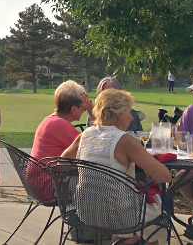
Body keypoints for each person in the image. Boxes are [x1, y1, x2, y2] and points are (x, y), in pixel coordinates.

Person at [62, 89, 172, 245]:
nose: (131, 117)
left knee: (119, 202)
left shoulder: (85, 135)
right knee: (159, 214)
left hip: (86, 211)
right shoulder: (125, 140)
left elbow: (61, 162)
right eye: (129, 112)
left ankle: (123, 240)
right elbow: (165, 176)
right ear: (119, 114)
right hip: (121, 215)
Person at [28, 81, 92, 201]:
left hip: (41, 182)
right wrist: (93, 113)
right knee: (98, 185)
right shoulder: (60, 125)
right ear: (73, 109)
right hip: (50, 186)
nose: (85, 110)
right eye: (83, 107)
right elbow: (92, 149)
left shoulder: (50, 120)